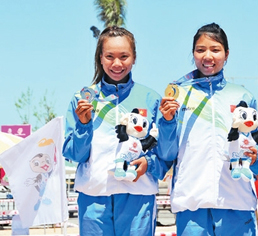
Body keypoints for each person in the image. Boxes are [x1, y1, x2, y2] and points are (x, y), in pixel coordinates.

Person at [62, 26, 177, 236]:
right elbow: (74, 154)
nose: (117, 63)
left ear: (134, 58)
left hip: (138, 194)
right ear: (100, 58)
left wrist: (149, 163)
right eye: (110, 56)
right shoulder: (83, 99)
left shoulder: (151, 99)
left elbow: (167, 153)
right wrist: (83, 125)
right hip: (94, 196)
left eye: (124, 56)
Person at [161, 22, 258, 236]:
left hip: (237, 203)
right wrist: (167, 122)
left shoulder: (243, 96)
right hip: (191, 203)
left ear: (226, 54)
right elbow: (166, 152)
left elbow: (257, 149)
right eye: (201, 50)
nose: (208, 56)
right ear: (193, 54)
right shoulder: (177, 95)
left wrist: (257, 157)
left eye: (215, 50)